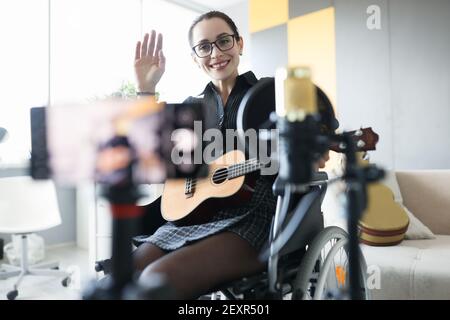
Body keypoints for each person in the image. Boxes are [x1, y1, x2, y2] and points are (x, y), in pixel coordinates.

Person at [129, 10, 332, 299]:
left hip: (258, 215)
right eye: (204, 46)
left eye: (224, 41)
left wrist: (312, 153)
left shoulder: (273, 94)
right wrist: (146, 89)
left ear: (239, 43)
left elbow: (315, 134)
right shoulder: (190, 108)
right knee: (126, 271)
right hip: (193, 216)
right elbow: (154, 161)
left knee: (156, 279)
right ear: (195, 57)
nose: (215, 53)